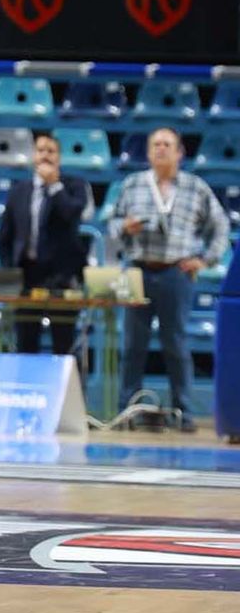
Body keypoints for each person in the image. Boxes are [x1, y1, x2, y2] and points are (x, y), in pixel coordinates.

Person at [109, 127, 230, 427]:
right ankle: (127, 410)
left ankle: (184, 413)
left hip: (176, 272)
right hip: (138, 269)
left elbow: (221, 226)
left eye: (167, 144)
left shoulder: (195, 187)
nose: (160, 149)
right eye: (155, 144)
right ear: (148, 152)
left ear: (179, 152)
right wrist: (125, 227)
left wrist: (205, 259)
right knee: (133, 345)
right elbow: (110, 222)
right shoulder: (133, 184)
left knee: (175, 344)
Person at [0, 132, 93, 356]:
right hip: (27, 275)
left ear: (59, 157)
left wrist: (54, 186)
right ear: (33, 156)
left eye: (51, 151)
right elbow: (5, 235)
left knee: (64, 345)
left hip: (63, 276)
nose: (46, 156)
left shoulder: (74, 186)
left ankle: (68, 390)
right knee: (26, 344)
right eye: (41, 151)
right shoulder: (19, 191)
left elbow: (71, 214)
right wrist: (9, 271)